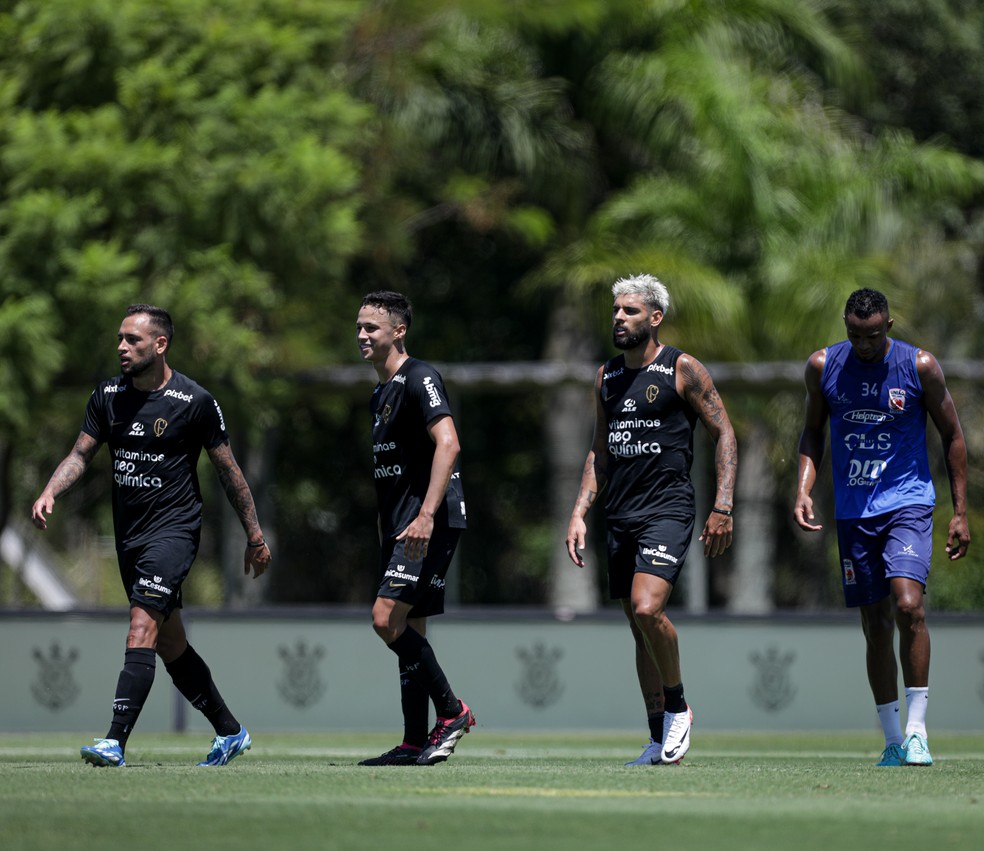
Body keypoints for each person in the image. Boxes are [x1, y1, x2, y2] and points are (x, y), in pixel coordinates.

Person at [31, 304, 271, 768]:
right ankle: (230, 731)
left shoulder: (195, 401)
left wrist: (255, 537)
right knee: (170, 642)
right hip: (130, 537)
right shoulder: (107, 395)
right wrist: (49, 490)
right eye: (120, 338)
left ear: (160, 345)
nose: (122, 347)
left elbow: (229, 472)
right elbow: (80, 454)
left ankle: (114, 741)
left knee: (142, 628)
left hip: (174, 533)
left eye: (133, 340)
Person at [566, 274, 737, 765]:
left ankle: (679, 707)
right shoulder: (606, 377)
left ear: (655, 318)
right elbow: (599, 451)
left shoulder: (682, 368)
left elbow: (724, 433)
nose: (619, 318)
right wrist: (579, 513)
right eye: (616, 310)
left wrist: (722, 505)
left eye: (631, 311)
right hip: (619, 513)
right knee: (637, 628)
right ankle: (657, 736)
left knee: (647, 609)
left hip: (668, 509)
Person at [794, 288, 969, 767]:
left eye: (872, 336)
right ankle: (891, 740)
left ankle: (917, 732)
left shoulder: (920, 367)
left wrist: (959, 511)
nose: (864, 345)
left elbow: (952, 434)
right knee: (875, 624)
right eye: (855, 335)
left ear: (888, 327)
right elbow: (812, 431)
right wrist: (803, 488)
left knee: (908, 604)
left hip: (907, 503)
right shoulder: (823, 366)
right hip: (854, 511)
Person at [355, 291, 474, 766]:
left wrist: (425, 515)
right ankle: (412, 741)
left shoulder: (418, 377)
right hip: (402, 526)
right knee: (411, 627)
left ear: (398, 331)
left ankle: (453, 711)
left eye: (372, 328)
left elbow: (449, 443)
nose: (362, 335)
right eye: (359, 327)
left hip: (429, 522)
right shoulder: (379, 393)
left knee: (386, 620)